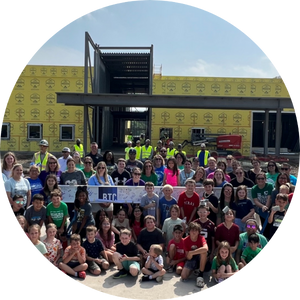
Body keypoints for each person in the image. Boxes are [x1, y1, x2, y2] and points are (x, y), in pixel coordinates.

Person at [180, 222, 208, 288]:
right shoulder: (185, 240)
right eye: (192, 230)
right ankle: (194, 269)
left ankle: (200, 275)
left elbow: (205, 248)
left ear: (199, 232)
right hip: (191, 258)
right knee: (183, 277)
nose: (194, 232)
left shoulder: (201, 238)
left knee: (203, 253)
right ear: (189, 231)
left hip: (200, 257)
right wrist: (190, 254)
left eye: (196, 230)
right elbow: (188, 257)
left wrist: (192, 252)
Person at [251, 172, 273, 237]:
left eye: (262, 178)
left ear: (265, 179)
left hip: (269, 208)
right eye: (258, 178)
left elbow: (269, 198)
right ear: (256, 180)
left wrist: (266, 207)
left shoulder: (269, 186)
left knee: (270, 225)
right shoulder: (254, 188)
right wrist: (263, 207)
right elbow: (255, 200)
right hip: (260, 209)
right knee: (264, 226)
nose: (260, 180)